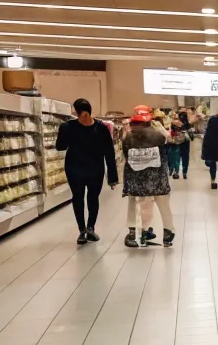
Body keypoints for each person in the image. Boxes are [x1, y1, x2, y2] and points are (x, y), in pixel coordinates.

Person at [55, 98, 118, 245]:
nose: (82, 116)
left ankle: (90, 228)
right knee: (78, 197)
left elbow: (109, 152)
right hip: (75, 169)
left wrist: (112, 176)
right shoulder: (68, 127)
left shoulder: (101, 128)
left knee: (92, 197)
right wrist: (62, 132)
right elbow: (60, 146)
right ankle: (82, 229)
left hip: (94, 168)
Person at [122, 105, 175, 248]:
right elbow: (166, 150)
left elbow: (126, 155)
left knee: (135, 205)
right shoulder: (158, 136)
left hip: (137, 179)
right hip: (158, 178)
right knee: (164, 205)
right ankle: (168, 233)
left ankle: (134, 233)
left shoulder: (128, 138)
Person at [177, 110, 192, 178]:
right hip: (186, 143)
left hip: (177, 142)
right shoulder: (188, 125)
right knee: (185, 157)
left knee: (177, 157)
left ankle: (176, 172)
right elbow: (192, 137)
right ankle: (184, 172)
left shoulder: (175, 124)